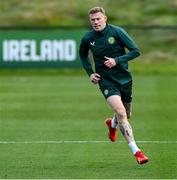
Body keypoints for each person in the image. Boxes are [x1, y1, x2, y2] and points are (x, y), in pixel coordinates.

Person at [79, 6, 148, 165]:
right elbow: (82, 55)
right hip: (106, 81)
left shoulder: (117, 32)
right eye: (93, 20)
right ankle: (137, 152)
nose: (95, 22)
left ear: (105, 18)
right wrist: (90, 72)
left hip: (124, 79)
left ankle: (112, 123)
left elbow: (135, 51)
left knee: (126, 115)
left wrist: (117, 60)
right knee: (121, 112)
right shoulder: (88, 37)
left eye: (98, 19)